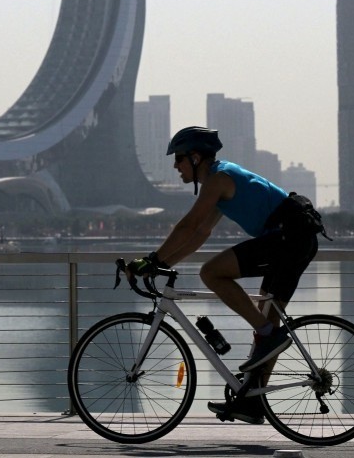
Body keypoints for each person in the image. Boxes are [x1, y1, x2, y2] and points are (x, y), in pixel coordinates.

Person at [126, 126, 327, 424]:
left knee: (212, 273)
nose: (175, 166)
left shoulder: (218, 179)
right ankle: (254, 403)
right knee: (266, 321)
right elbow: (200, 234)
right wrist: (162, 264)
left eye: (178, 159)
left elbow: (188, 225)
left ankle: (269, 337)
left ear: (195, 157)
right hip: (293, 239)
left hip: (290, 238)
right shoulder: (219, 180)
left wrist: (152, 259)